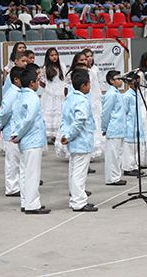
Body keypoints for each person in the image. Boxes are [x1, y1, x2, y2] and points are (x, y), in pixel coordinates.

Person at [10, 68, 50, 214]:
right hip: (32, 138)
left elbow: (15, 117)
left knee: (25, 172)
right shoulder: (32, 97)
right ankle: (32, 204)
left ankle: (25, 201)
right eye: (38, 81)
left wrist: (16, 134)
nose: (39, 83)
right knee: (32, 173)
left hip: (24, 140)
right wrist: (19, 134)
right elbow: (29, 119)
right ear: (32, 83)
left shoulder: (19, 96)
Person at [60, 69, 98, 212]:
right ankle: (79, 202)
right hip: (81, 141)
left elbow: (64, 119)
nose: (90, 87)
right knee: (79, 174)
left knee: (74, 171)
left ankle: (75, 198)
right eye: (89, 84)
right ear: (83, 86)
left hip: (73, 142)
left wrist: (65, 134)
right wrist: (69, 135)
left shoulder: (69, 98)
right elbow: (79, 121)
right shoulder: (82, 100)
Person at [0, 66, 23, 197]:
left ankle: (17, 184)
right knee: (12, 161)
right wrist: (1, 125)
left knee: (17, 160)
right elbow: (5, 111)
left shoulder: (20, 92)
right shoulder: (12, 93)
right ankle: (12, 187)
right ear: (16, 79)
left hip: (17, 131)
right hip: (11, 130)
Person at [101, 70, 127, 186]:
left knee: (118, 154)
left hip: (120, 128)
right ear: (111, 81)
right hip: (113, 128)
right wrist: (104, 127)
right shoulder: (111, 94)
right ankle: (112, 178)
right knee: (113, 155)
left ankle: (116, 176)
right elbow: (106, 112)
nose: (121, 81)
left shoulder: (117, 93)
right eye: (118, 78)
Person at [40, 47, 65, 141]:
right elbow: (42, 82)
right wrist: (49, 89)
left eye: (56, 55)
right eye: (52, 55)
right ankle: (49, 134)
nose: (54, 57)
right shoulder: (45, 68)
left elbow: (64, 79)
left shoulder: (62, 66)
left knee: (60, 111)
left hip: (60, 92)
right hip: (50, 93)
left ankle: (57, 134)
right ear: (48, 57)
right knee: (49, 111)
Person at [122, 73, 145, 177]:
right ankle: (127, 168)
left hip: (137, 124)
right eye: (136, 81)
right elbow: (124, 112)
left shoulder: (138, 94)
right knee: (129, 148)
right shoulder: (127, 96)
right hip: (130, 125)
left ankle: (135, 166)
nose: (138, 83)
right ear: (130, 82)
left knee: (136, 147)